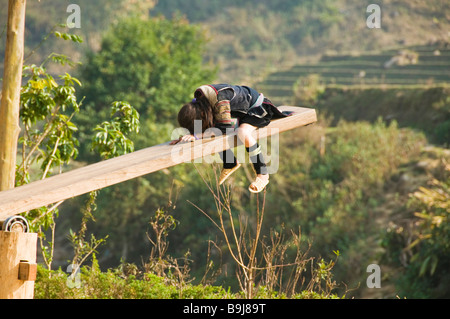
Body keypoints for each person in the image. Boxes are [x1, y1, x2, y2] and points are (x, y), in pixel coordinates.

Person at [170, 84, 287, 193]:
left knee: (243, 132)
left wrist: (196, 136)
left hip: (259, 109)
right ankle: (230, 162)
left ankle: (263, 173)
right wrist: (184, 138)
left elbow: (223, 129)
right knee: (212, 131)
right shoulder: (199, 102)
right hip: (243, 113)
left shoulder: (220, 100)